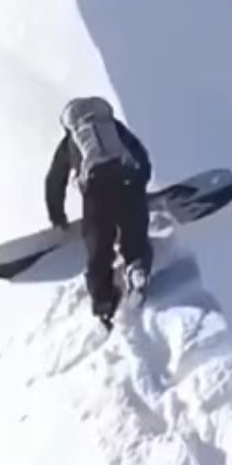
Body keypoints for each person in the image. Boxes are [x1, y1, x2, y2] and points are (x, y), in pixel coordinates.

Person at [45, 96, 154, 328]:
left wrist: (57, 216)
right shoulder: (112, 126)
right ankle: (137, 268)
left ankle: (104, 304)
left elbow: (55, 181)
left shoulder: (70, 141)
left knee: (99, 247)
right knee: (134, 234)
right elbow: (140, 153)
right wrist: (141, 183)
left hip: (97, 190)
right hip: (128, 179)